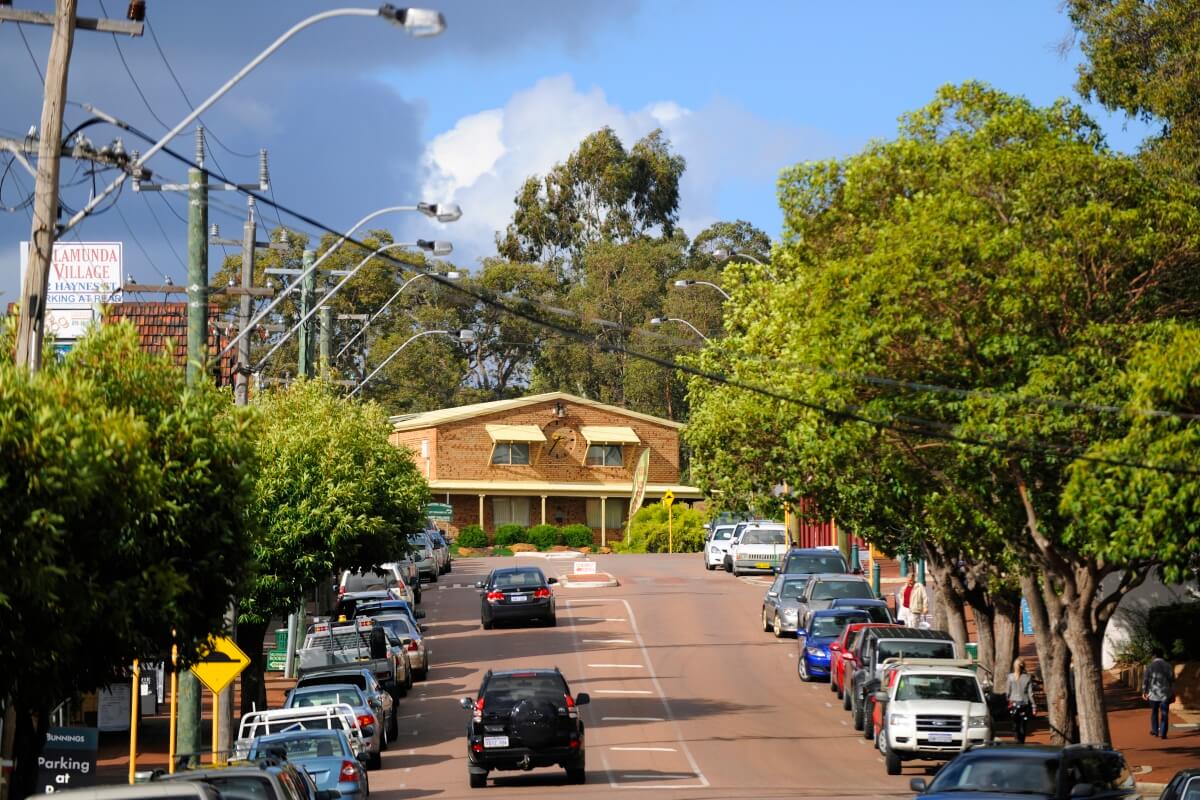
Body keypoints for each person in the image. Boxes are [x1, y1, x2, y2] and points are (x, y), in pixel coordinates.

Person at [1142, 647, 1174, 739]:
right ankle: (1163, 733)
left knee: (1154, 712)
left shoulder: (1150, 666)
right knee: (1165, 713)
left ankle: (1155, 731)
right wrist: (1172, 692)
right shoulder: (1168, 665)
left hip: (1153, 693)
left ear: (1154, 655)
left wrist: (1144, 691)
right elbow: (1172, 680)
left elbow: (1146, 680)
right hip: (1165, 693)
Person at [1007, 657, 1036, 743]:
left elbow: (1007, 692)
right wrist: (1034, 705)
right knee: (1024, 723)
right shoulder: (1027, 677)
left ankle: (1016, 738)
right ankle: (1022, 740)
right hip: (1025, 703)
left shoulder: (1010, 677)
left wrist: (1008, 700)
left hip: (1014, 704)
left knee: (1015, 722)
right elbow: (1030, 693)